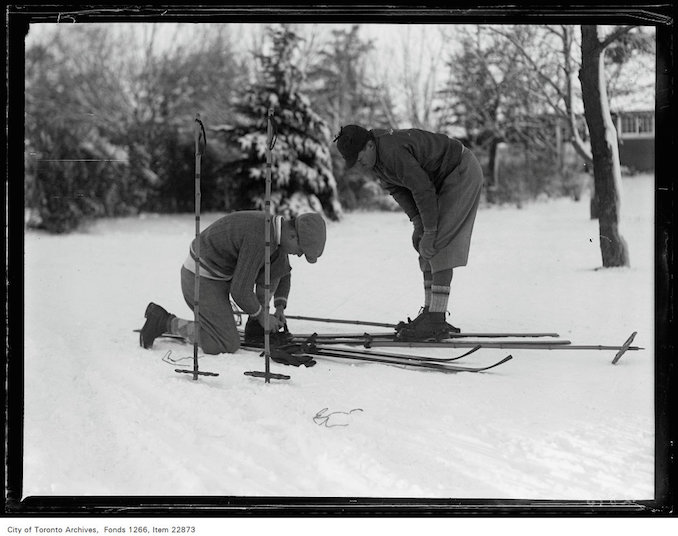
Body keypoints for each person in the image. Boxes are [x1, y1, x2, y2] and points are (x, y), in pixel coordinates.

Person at [335, 125, 483, 340]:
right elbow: (399, 190)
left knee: (438, 244)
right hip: (441, 180)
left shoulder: (392, 151)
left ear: (369, 145)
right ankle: (431, 313)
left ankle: (436, 319)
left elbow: (422, 188)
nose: (360, 165)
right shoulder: (377, 161)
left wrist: (430, 230)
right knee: (425, 244)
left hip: (460, 171)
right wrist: (418, 224)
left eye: (359, 159)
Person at [139, 210, 326, 354]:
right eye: (301, 250)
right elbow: (240, 290)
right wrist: (263, 316)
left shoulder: (276, 234)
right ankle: (164, 322)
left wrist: (278, 309)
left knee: (277, 265)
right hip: (200, 279)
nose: (300, 255)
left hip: (223, 276)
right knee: (225, 343)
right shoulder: (261, 238)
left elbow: (283, 273)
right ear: (293, 235)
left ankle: (255, 324)